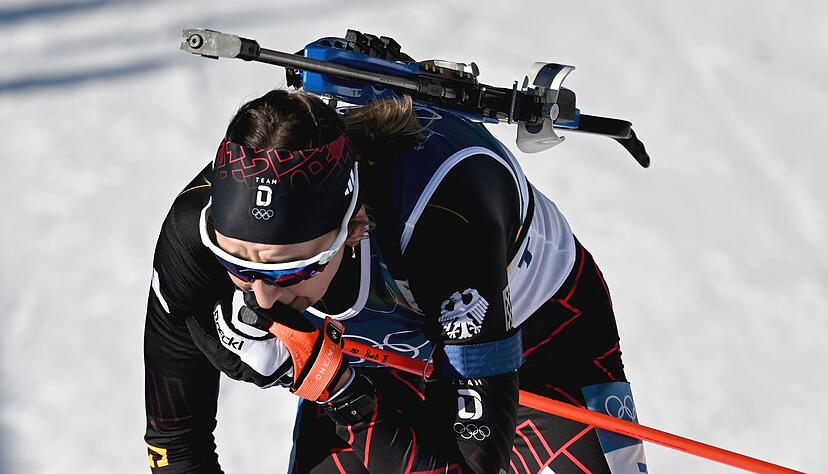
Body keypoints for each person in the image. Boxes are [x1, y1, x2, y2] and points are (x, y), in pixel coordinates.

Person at [144, 89, 648, 473]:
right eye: (239, 267)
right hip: (373, 360)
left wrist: (338, 389)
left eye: (293, 267)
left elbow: (475, 464)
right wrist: (339, 386)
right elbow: (175, 439)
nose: (263, 297)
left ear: (355, 226)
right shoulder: (196, 226)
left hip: (537, 350)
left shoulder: (442, 222)